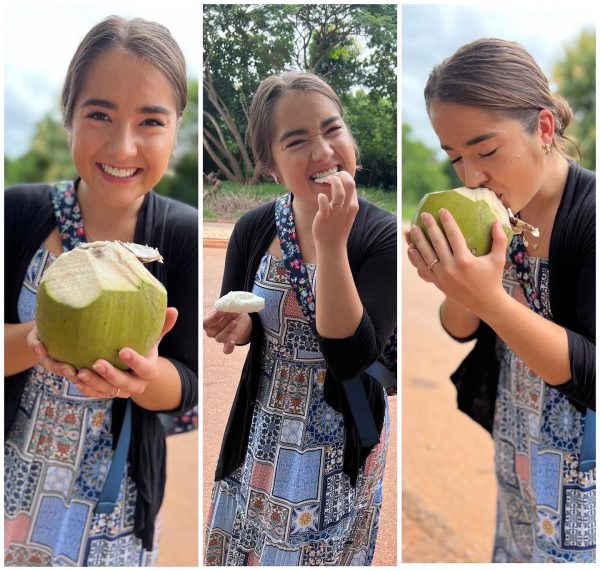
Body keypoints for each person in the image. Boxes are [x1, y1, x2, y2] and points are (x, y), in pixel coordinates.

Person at [4, 16, 198, 566]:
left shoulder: (178, 236)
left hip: (111, 501)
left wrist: (143, 374)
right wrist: (43, 338)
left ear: (176, 129)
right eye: (99, 115)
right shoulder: (17, 212)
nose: (123, 145)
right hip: (11, 475)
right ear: (68, 115)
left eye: (151, 121)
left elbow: (185, 387)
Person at [407, 38, 595, 563]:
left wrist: (489, 300)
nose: (471, 177)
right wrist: (457, 285)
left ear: (544, 128)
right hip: (516, 442)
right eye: (455, 158)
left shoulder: (591, 217)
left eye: (486, 151)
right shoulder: (501, 213)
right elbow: (460, 326)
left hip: (585, 466)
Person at [203, 71, 396, 566]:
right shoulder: (253, 227)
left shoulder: (381, 237)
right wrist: (240, 326)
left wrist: (331, 244)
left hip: (342, 434)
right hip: (265, 422)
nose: (323, 151)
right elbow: (242, 309)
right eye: (297, 140)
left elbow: (352, 356)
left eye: (332, 130)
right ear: (271, 164)